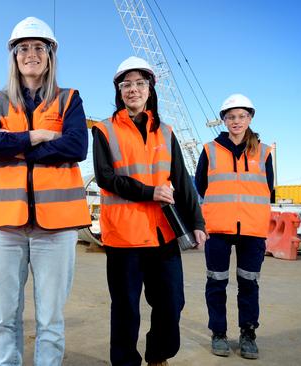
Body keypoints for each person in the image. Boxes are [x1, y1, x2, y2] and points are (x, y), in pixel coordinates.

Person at [0, 16, 91, 366]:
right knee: (5, 317)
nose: (31, 54)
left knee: (50, 320)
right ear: (14, 56)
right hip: (6, 226)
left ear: (50, 54)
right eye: (23, 48)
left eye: (39, 47)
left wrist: (11, 146)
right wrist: (34, 137)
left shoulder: (69, 99)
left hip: (55, 229)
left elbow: (76, 147)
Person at [92, 56, 207, 366]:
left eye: (140, 83)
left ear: (150, 89)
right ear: (118, 90)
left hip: (163, 233)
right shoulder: (104, 130)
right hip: (123, 237)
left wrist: (196, 222)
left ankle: (158, 355)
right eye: (126, 84)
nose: (133, 89)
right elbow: (105, 177)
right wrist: (149, 192)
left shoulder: (166, 132)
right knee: (126, 307)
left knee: (172, 302)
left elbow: (182, 182)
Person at [195, 94, 274, 360]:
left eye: (241, 116)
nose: (236, 121)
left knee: (249, 284)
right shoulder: (210, 150)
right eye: (230, 117)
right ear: (224, 120)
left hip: (252, 230)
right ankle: (218, 333)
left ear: (250, 118)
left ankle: (248, 334)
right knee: (216, 283)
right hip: (218, 228)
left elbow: (268, 189)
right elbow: (200, 186)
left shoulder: (263, 152)